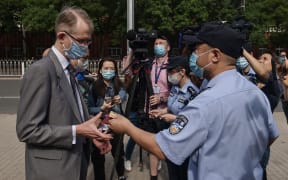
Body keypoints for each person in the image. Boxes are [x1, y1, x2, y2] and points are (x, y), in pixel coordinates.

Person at [108, 22, 279, 180]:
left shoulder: (205, 102)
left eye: (197, 49)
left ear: (215, 55)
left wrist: (127, 127)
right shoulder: (255, 92)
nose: (193, 55)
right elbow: (270, 137)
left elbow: (163, 148)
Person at [16, 6, 112, 180]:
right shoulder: (42, 71)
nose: (85, 47)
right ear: (62, 37)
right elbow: (27, 130)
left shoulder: (69, 70)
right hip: (52, 172)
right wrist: (78, 131)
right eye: (81, 41)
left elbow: (71, 117)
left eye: (88, 42)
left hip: (75, 167)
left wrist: (91, 136)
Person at [149, 56, 199, 180]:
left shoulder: (192, 92)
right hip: (171, 137)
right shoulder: (175, 88)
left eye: (171, 72)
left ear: (182, 72)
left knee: (181, 174)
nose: (169, 75)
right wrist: (161, 112)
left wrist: (173, 119)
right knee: (172, 172)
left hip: (183, 142)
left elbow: (194, 120)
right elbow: (171, 107)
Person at [88, 58, 127, 180]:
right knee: (98, 157)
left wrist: (120, 98)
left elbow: (123, 93)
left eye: (111, 68)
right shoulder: (94, 87)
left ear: (115, 71)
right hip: (100, 127)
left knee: (118, 153)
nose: (109, 71)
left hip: (115, 125)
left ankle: (121, 175)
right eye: (106, 68)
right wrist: (101, 108)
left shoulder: (119, 85)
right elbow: (89, 108)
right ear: (100, 70)